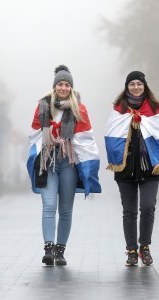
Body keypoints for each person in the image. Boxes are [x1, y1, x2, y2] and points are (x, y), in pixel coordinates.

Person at [27, 65, 101, 266]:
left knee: (66, 209)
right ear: (54, 86)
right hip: (48, 161)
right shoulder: (43, 106)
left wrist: (68, 142)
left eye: (67, 84)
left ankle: (60, 250)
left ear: (71, 87)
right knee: (49, 205)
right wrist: (47, 138)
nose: (63, 87)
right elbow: (34, 134)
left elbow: (86, 137)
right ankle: (48, 248)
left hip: (68, 162)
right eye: (60, 84)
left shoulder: (79, 108)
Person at [105, 71, 159, 266]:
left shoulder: (155, 108)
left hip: (151, 168)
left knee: (147, 206)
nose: (136, 87)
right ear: (127, 86)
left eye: (139, 84)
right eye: (132, 84)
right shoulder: (118, 109)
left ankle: (144, 246)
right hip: (126, 168)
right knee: (129, 211)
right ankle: (131, 250)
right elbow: (111, 137)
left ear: (145, 86)